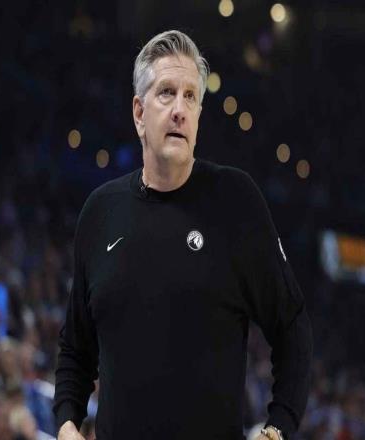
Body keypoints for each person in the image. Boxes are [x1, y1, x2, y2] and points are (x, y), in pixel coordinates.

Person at [53, 30, 313, 440]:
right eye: (167, 93)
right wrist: (67, 423)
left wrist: (277, 429)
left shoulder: (236, 200)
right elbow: (75, 347)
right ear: (139, 113)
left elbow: (292, 326)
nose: (180, 110)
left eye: (191, 97)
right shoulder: (100, 212)